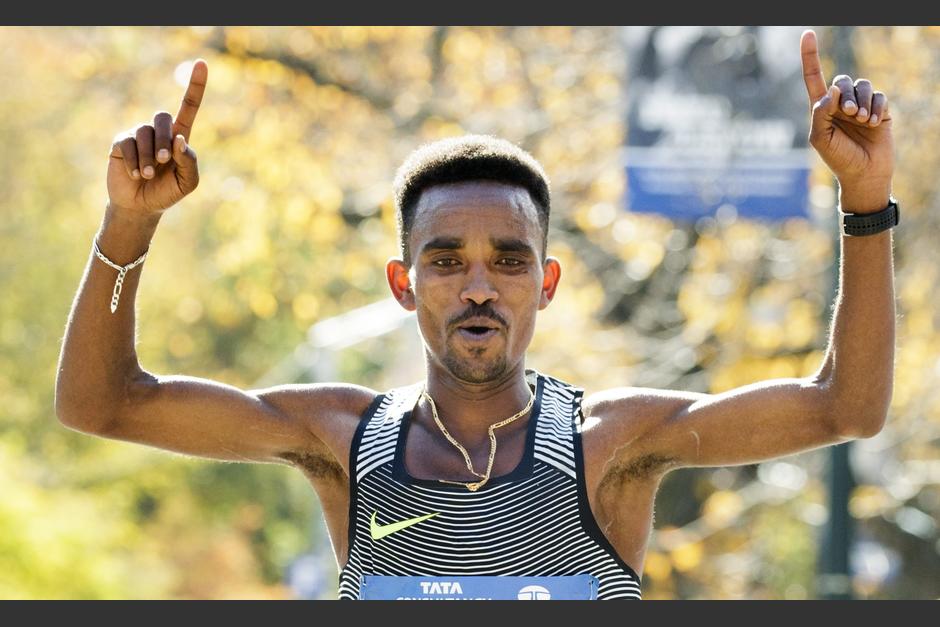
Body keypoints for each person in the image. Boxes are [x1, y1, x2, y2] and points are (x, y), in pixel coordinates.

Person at [55, 29, 896, 600]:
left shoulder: (613, 445)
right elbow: (100, 403)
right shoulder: (338, 439)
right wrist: (130, 224)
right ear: (402, 282)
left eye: (510, 260)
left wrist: (865, 203)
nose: (480, 286)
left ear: (548, 281)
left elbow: (844, 406)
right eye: (447, 260)